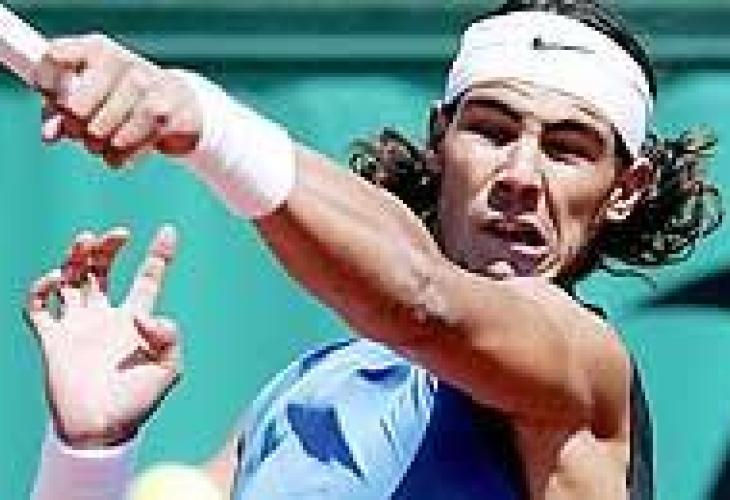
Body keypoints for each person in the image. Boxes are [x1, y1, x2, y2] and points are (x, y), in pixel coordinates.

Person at [24, 0, 722, 498]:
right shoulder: (309, 390)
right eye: (491, 131)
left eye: (567, 149)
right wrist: (89, 454)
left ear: (624, 190)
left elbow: (424, 301)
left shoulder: (581, 367)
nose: (519, 175)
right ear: (441, 141)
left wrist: (204, 120)